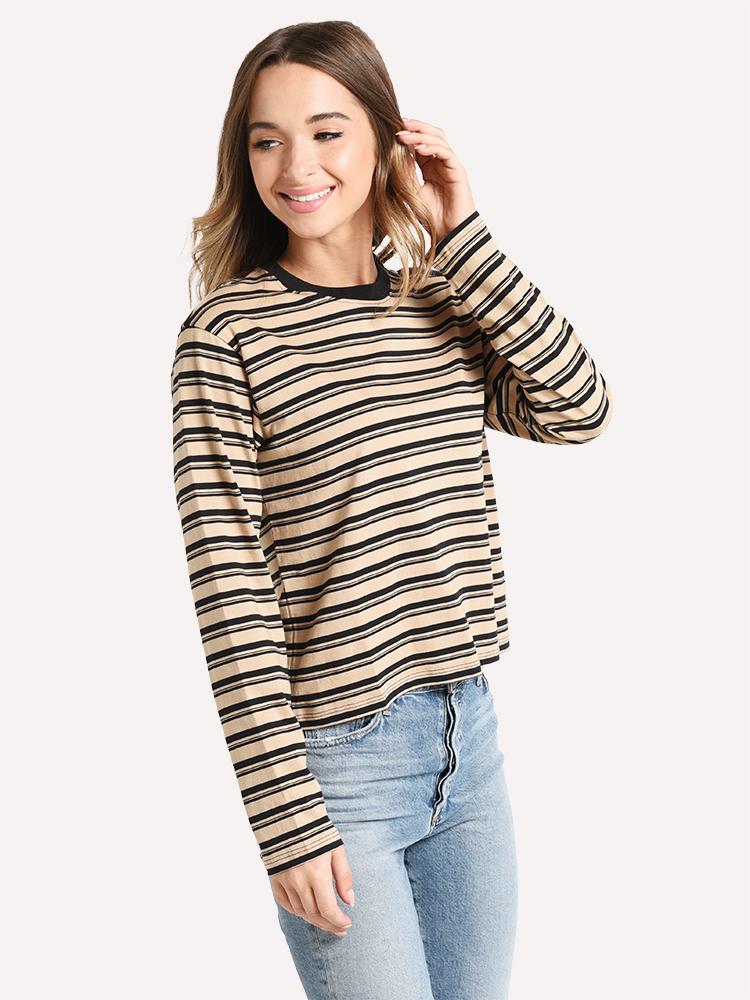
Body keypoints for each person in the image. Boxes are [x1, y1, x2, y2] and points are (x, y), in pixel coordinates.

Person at [170, 20, 613, 1000]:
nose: (297, 166)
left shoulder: (442, 303)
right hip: (339, 771)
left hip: (469, 742)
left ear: (385, 137)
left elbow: (579, 406)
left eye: (327, 131)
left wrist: (464, 240)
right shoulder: (227, 336)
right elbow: (231, 592)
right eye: (267, 139)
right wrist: (285, 817)